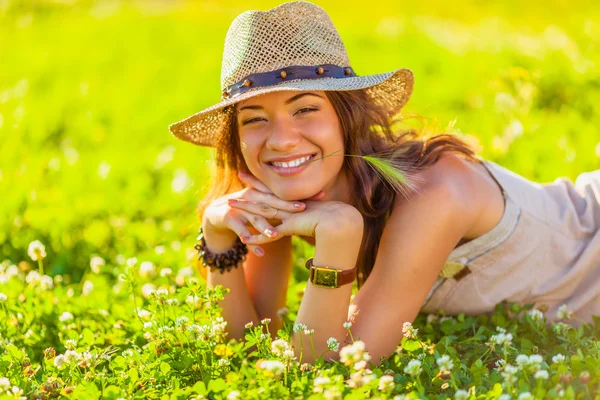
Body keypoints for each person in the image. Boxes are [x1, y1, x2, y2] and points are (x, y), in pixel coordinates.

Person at [167, 1, 600, 364]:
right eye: (256, 119)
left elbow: (335, 366)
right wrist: (217, 237)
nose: (281, 140)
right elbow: (246, 348)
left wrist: (339, 232)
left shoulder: (434, 192)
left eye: (305, 110)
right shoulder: (277, 196)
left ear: (346, 116)